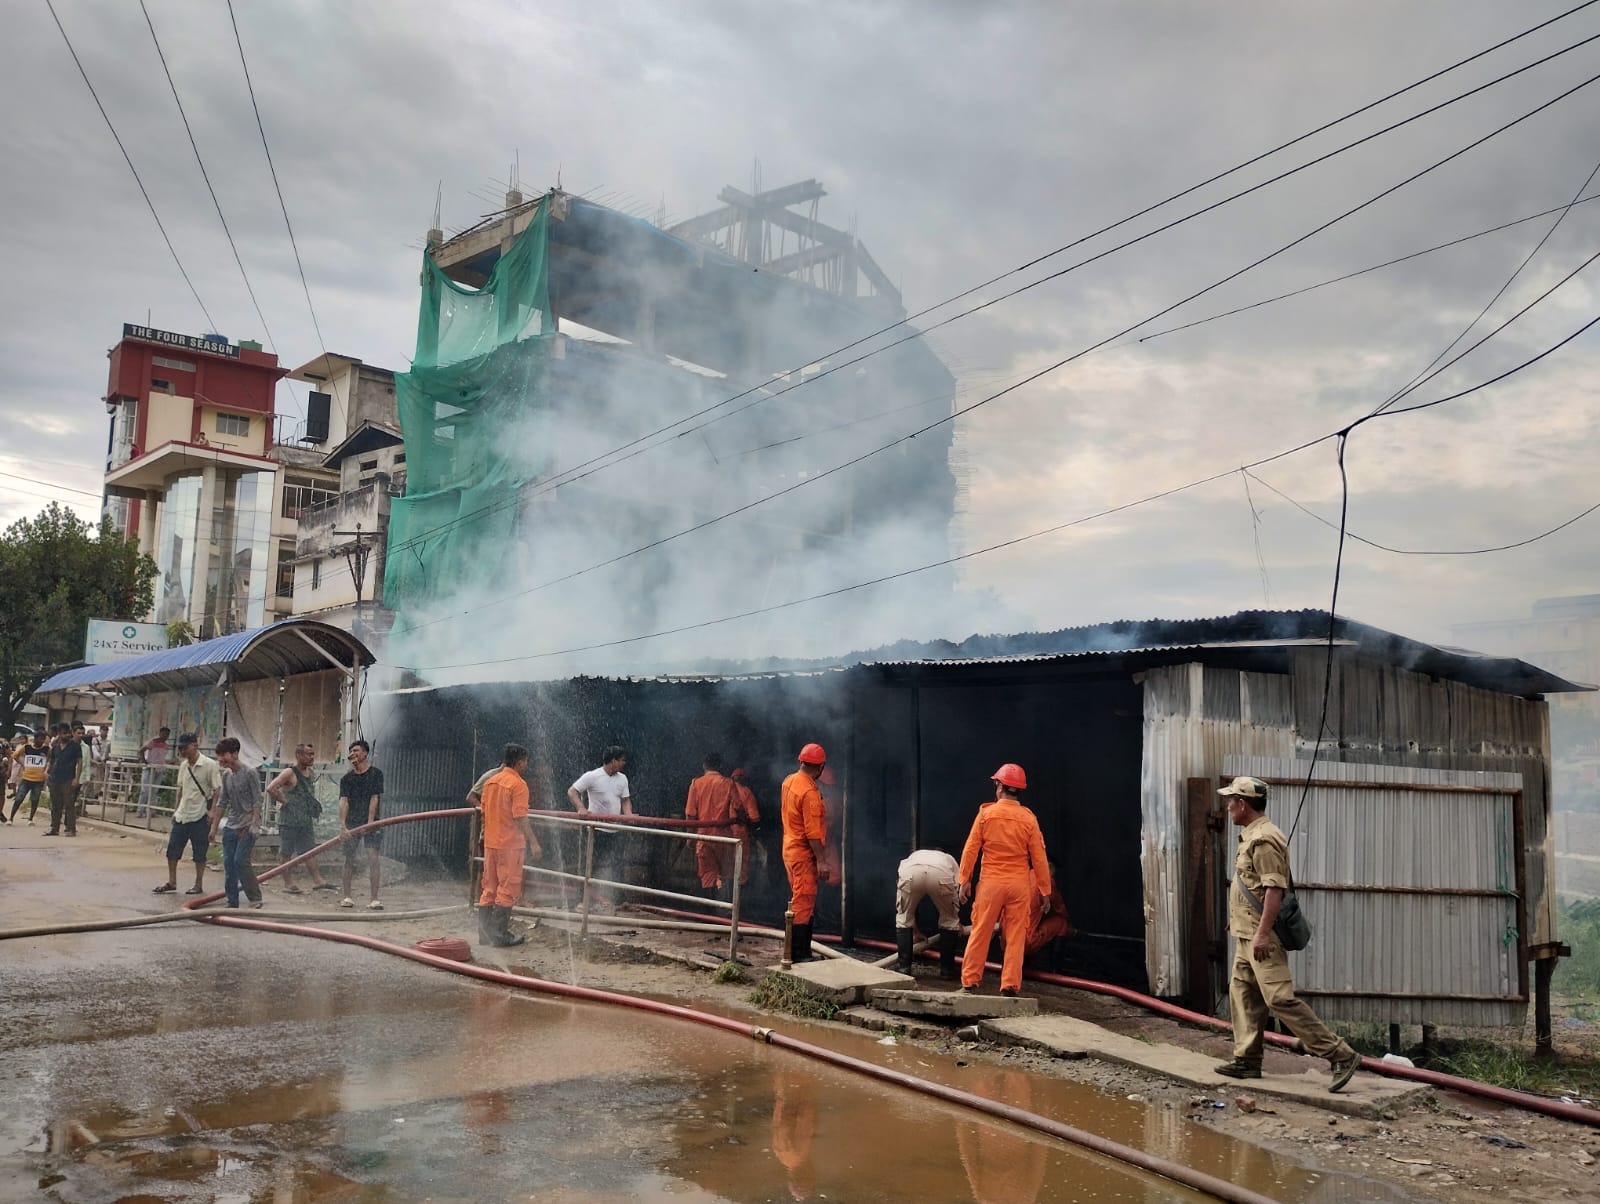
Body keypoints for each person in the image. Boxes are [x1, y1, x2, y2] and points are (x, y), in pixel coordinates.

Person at [1213, 775, 1362, 1092]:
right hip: (1246, 935)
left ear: (1243, 804)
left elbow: (1273, 890)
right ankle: (1247, 1060)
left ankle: (1340, 1054)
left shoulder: (1265, 839)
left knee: (1278, 998)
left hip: (1261, 938)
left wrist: (1263, 934)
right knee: (1244, 996)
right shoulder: (1252, 835)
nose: (1227, 806)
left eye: (1231, 801)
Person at [956, 763, 1052, 998]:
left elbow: (971, 850)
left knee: (981, 931)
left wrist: (964, 879)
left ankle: (970, 982)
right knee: (1016, 935)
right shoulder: (1029, 819)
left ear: (999, 787)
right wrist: (1044, 891)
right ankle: (1009, 986)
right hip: (1018, 885)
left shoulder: (986, 814)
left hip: (991, 884)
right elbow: (1039, 858)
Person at [477, 743, 542, 947]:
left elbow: (484, 812)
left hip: (491, 843)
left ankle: (484, 934)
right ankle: (499, 935)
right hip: (510, 845)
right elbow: (520, 816)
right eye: (526, 762)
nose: (526, 766)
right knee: (508, 888)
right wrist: (534, 842)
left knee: (489, 888)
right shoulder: (518, 785)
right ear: (520, 762)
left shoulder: (490, 782)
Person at [780, 742, 833, 962]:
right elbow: (812, 832)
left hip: (790, 849)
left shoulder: (789, 781)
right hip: (803, 854)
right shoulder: (809, 792)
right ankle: (798, 954)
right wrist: (821, 860)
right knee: (803, 902)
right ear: (820, 767)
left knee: (802, 900)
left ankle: (803, 952)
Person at [152, 733, 221, 896]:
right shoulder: (184, 766)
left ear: (194, 746)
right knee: (173, 850)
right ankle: (172, 881)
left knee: (199, 852)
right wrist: (176, 810)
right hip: (183, 814)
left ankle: (198, 883)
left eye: (184, 747)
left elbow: (217, 789)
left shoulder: (209, 765)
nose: (182, 750)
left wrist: (212, 811)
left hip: (200, 813)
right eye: (180, 748)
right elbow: (181, 789)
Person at [567, 745, 632, 911]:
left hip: (615, 830)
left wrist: (628, 815)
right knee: (589, 865)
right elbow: (572, 791)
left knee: (618, 865)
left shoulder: (622, 778)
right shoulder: (592, 776)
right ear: (613, 761)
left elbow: (625, 800)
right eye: (622, 760)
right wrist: (581, 808)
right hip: (595, 830)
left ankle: (617, 900)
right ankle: (582, 901)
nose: (624, 763)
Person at [266, 743, 333, 894]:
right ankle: (288, 883)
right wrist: (284, 801)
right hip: (289, 820)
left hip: (305, 820)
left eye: (312, 754)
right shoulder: (289, 772)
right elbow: (271, 788)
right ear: (298, 755)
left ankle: (318, 880)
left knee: (309, 850)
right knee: (286, 852)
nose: (312, 757)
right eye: (308, 754)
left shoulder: (310, 773)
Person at [209, 737, 264, 909]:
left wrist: (254, 825)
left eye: (223, 755)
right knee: (228, 863)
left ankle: (255, 897)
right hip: (231, 825)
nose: (221, 760)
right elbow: (222, 802)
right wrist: (213, 828)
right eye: (219, 756)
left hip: (247, 824)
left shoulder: (249, 773)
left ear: (234, 753)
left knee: (240, 860)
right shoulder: (226, 775)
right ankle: (232, 901)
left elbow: (257, 800)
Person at [894, 848, 963, 978]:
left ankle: (904, 968)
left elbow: (906, 909)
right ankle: (947, 970)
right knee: (949, 920)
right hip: (940, 872)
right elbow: (957, 888)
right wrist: (955, 921)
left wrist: (914, 930)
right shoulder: (949, 858)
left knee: (903, 917)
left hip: (911, 871)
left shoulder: (915, 855)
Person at [338, 739, 385, 910]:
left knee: (373, 857)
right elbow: (344, 801)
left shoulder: (376, 774)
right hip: (352, 822)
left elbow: (375, 798)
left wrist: (370, 823)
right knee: (349, 858)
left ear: (365, 753)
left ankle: (374, 899)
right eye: (351, 751)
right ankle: (347, 897)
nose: (353, 754)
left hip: (372, 822)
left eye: (356, 750)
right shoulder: (346, 779)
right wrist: (343, 825)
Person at [685, 753, 739, 899]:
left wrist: (689, 836)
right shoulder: (729, 783)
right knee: (726, 875)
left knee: (708, 876)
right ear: (720, 766)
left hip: (704, 837)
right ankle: (727, 911)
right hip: (724, 839)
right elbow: (738, 808)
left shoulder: (696, 784)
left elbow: (690, 814)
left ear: (704, 765)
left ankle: (709, 911)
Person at [45, 723, 82, 837]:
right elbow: (51, 761)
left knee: (69, 804)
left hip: (68, 778)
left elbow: (80, 762)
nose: (66, 735)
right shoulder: (55, 748)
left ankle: (71, 828)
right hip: (55, 778)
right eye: (63, 733)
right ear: (59, 734)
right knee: (55, 805)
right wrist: (47, 772)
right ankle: (54, 828)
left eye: (67, 733)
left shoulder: (75, 746)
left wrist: (76, 778)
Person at [728, 768, 761, 886]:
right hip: (740, 834)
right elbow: (754, 817)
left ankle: (719, 899)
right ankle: (740, 899)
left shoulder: (724, 790)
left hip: (722, 833)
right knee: (741, 866)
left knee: (725, 865)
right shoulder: (746, 792)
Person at [11, 732, 48, 824]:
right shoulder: (27, 747)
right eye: (40, 739)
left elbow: (51, 758)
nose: (42, 741)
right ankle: (11, 818)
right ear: (35, 738)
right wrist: (22, 764)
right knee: (19, 798)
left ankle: (30, 819)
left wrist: (46, 768)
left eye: (43, 739)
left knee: (35, 800)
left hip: (39, 779)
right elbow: (15, 755)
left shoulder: (46, 749)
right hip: (26, 778)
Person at [139, 727, 172, 818]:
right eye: (164, 734)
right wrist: (145, 762)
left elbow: (161, 758)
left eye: (167, 735)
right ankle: (140, 811)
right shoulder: (153, 742)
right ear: (160, 733)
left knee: (154, 791)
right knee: (145, 790)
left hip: (159, 769)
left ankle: (151, 811)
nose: (165, 736)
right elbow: (141, 750)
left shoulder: (166, 745)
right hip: (150, 768)